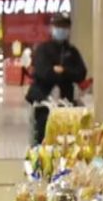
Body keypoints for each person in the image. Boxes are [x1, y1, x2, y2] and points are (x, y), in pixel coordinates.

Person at [27, 12, 88, 144]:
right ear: (52, 28)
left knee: (66, 140)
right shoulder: (43, 50)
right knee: (43, 138)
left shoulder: (72, 52)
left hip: (66, 105)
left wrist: (63, 70)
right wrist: (64, 74)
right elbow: (43, 73)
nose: (61, 29)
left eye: (64, 27)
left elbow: (81, 73)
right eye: (58, 26)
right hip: (43, 104)